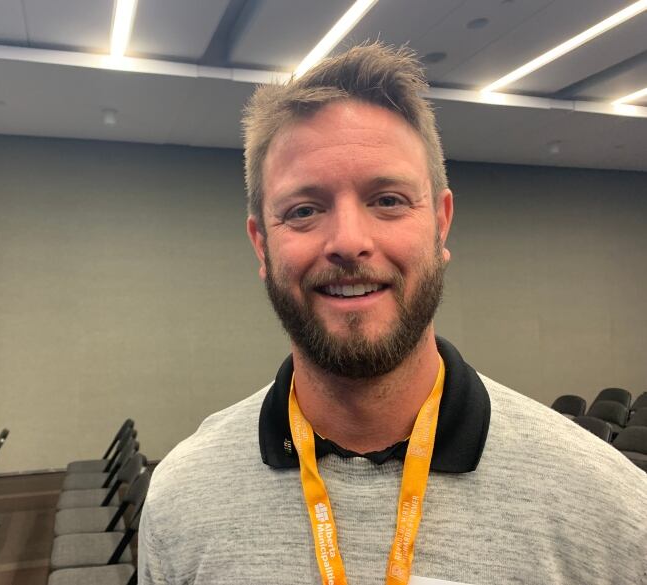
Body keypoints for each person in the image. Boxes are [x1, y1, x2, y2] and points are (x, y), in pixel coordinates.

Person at [138, 43, 646, 585]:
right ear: (261, 245)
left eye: (387, 200)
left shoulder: (609, 508)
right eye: (304, 210)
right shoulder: (180, 500)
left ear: (440, 224)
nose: (349, 242)